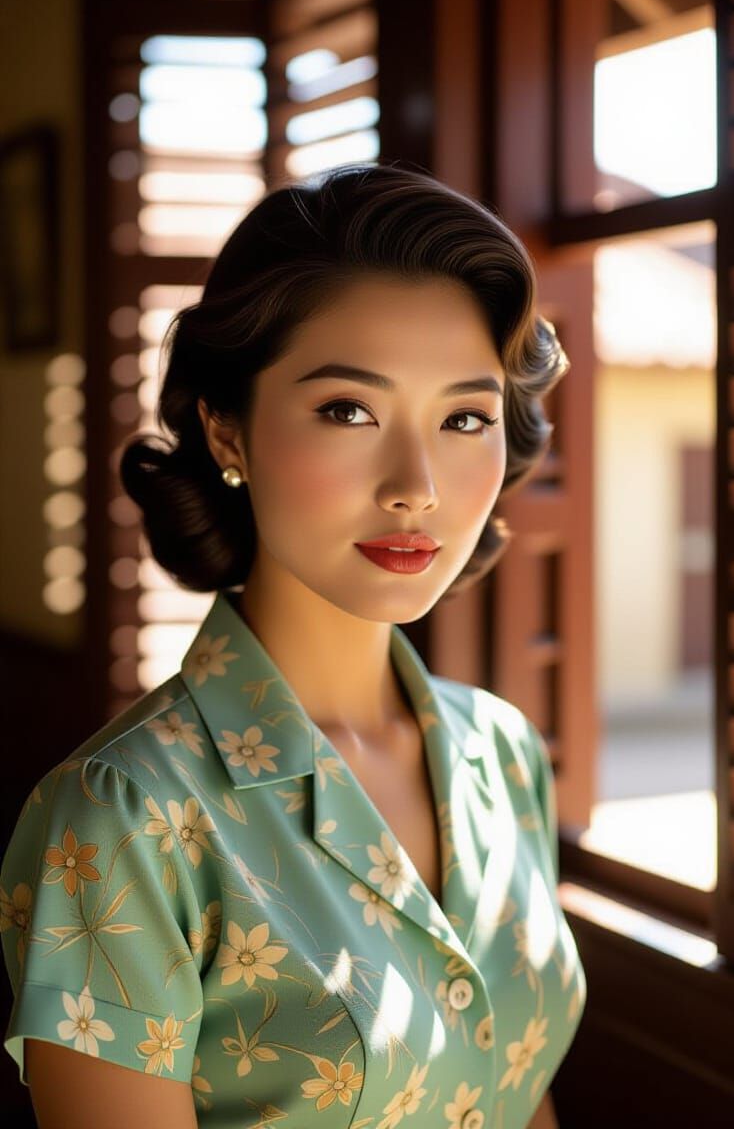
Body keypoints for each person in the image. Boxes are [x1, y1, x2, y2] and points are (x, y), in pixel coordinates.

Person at [0, 162, 586, 1129]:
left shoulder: (502, 753)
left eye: (464, 418)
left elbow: (516, 1090)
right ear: (226, 428)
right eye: (348, 410)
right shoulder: (125, 815)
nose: (417, 485)